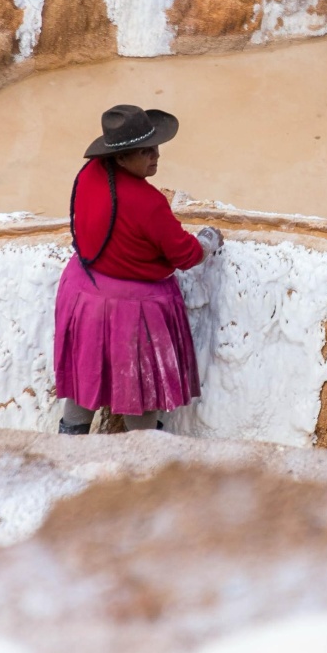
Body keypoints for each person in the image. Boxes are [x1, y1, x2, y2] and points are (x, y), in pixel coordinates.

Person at [53, 104, 222, 434]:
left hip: (84, 293)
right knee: (140, 392)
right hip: (132, 308)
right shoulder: (149, 203)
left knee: (83, 378)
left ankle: (66, 451)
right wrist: (209, 240)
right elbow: (186, 255)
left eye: (155, 147)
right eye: (145, 152)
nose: (155, 156)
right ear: (120, 157)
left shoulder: (87, 174)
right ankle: (145, 462)